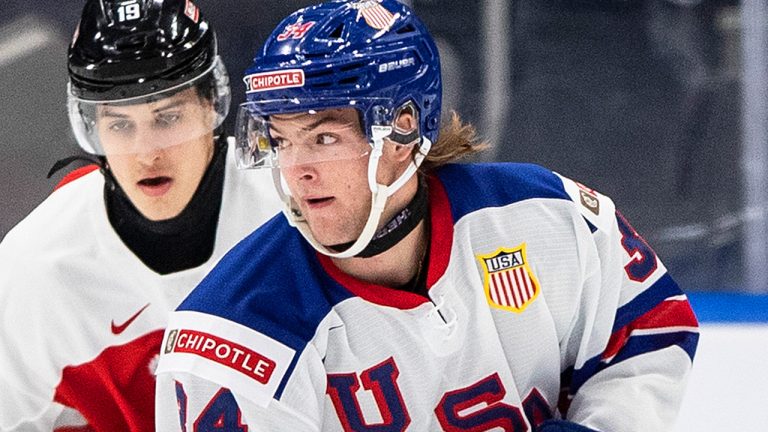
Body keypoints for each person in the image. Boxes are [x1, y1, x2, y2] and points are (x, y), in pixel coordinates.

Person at [155, 1, 700, 431]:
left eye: (323, 137)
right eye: (282, 141)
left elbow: (647, 333)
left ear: (403, 130)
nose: (296, 170)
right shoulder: (236, 332)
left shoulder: (543, 216)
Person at [0, 1, 282, 430]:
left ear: (211, 106)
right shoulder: (34, 267)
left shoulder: (291, 205)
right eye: (119, 125)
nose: (146, 152)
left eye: (167, 118)